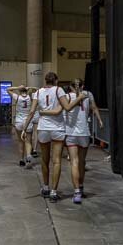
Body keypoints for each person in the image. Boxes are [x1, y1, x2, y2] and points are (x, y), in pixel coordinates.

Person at [21, 72, 85, 202]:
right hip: (57, 128)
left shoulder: (38, 92)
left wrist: (24, 128)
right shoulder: (59, 90)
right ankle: (54, 192)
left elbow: (32, 111)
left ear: (45, 81)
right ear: (56, 80)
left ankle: (45, 187)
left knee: (45, 160)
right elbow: (67, 107)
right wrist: (78, 99)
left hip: (43, 127)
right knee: (56, 161)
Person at [70, 78, 104, 198]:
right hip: (84, 132)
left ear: (71, 87)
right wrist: (100, 120)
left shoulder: (68, 96)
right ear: (83, 86)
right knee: (82, 162)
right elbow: (94, 108)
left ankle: (76, 192)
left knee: (74, 162)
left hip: (71, 133)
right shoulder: (88, 94)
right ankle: (81, 186)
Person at [8, 85, 36, 168]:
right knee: (28, 141)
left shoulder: (17, 97)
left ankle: (21, 160)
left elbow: (8, 89)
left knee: (20, 141)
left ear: (20, 91)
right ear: (26, 91)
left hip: (19, 121)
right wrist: (30, 88)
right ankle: (28, 158)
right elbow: (37, 89)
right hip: (28, 121)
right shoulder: (30, 97)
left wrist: (17, 88)